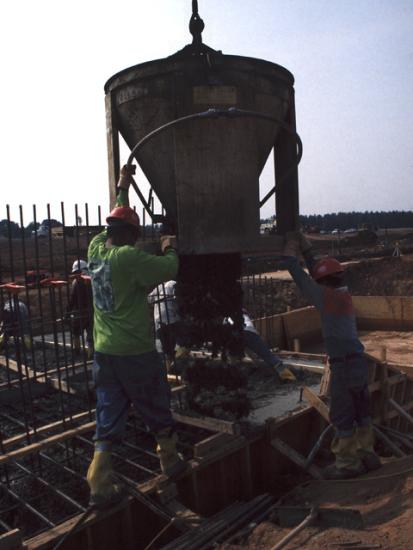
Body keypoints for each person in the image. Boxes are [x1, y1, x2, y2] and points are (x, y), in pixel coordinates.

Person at [86, 165, 187, 508]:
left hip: (104, 351)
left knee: (109, 410)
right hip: (135, 351)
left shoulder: (95, 248)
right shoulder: (128, 258)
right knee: (154, 402)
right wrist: (169, 245)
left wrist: (122, 187)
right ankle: (171, 461)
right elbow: (169, 269)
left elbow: (116, 214)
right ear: (130, 235)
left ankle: (99, 483)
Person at [282, 232, 381, 479]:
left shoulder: (325, 296)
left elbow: (301, 277)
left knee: (343, 415)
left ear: (324, 282)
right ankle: (366, 454)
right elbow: (319, 271)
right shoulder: (342, 294)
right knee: (362, 412)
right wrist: (307, 250)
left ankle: (348, 464)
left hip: (344, 368)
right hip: (357, 363)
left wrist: (289, 253)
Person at [224, 310, 296, 381]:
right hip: (249, 333)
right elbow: (250, 347)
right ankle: (288, 377)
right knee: (268, 356)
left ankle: (233, 378)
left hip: (236, 335)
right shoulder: (244, 316)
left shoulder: (226, 319)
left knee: (232, 358)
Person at [148, 280, 188, 371]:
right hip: (166, 320)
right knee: (169, 348)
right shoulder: (165, 285)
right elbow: (149, 299)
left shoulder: (167, 285)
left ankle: (171, 367)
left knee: (171, 347)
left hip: (166, 320)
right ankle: (170, 368)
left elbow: (149, 299)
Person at [67, 259, 94, 358]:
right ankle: (90, 354)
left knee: (76, 333)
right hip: (90, 312)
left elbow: (72, 299)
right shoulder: (92, 280)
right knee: (89, 335)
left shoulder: (76, 283)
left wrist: (68, 312)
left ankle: (78, 353)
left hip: (80, 313)